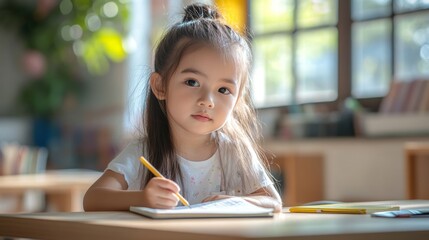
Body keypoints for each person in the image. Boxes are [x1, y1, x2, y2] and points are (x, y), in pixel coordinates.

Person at [83, 3, 282, 212]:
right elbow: (93, 199)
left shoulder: (233, 152)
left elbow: (273, 203)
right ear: (160, 86)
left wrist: (235, 202)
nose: (208, 101)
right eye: (192, 82)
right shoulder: (143, 153)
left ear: (238, 99)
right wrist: (143, 198)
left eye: (223, 90)